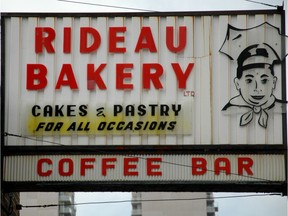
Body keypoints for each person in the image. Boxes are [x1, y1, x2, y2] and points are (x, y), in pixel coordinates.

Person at [222, 44, 286, 128]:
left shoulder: (282, 108)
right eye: (249, 80)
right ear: (237, 83)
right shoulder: (229, 111)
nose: (257, 88)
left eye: (264, 80)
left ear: (274, 82)